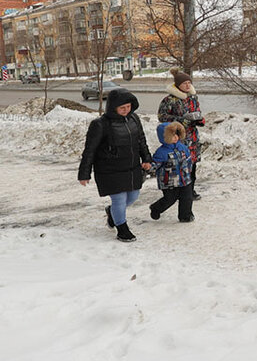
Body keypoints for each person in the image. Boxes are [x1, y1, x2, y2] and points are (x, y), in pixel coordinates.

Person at [78, 88, 152, 242]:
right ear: (113, 107)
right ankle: (122, 229)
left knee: (132, 197)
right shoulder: (100, 125)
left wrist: (146, 158)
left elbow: (141, 140)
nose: (126, 110)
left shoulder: (134, 119)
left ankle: (112, 213)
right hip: (109, 169)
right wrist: (84, 173)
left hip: (131, 167)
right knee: (119, 199)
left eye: (128, 107)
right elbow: (90, 150)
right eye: (122, 108)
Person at [158, 68, 205, 200]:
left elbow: (198, 111)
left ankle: (191, 191)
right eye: (184, 83)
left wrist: (199, 120)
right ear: (178, 85)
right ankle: (179, 192)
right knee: (179, 165)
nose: (187, 85)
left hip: (193, 137)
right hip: (178, 138)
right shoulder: (169, 100)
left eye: (189, 82)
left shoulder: (193, 98)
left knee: (192, 164)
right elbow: (162, 117)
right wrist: (181, 120)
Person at [148, 121, 195, 223]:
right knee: (170, 199)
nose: (175, 137)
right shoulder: (161, 152)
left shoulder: (182, 147)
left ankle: (185, 215)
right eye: (172, 135)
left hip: (184, 178)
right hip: (169, 181)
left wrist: (189, 169)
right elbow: (156, 164)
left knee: (187, 197)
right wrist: (149, 167)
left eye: (177, 135)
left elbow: (188, 159)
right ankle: (156, 208)